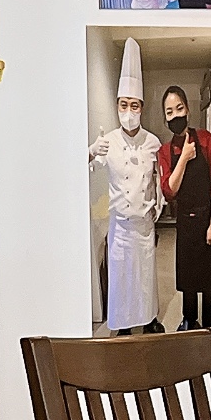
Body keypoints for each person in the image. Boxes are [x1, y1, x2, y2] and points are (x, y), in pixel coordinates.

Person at [89, 40, 163, 333]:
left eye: (134, 105)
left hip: (144, 226)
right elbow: (77, 169)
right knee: (121, 280)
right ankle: (122, 326)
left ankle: (149, 321)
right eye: (123, 105)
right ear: (117, 106)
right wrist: (91, 151)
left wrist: (158, 207)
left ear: (141, 108)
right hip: (119, 227)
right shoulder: (108, 142)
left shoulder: (153, 142)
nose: (128, 111)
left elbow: (159, 179)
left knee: (145, 279)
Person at [160, 84, 211, 330]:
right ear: (165, 118)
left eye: (179, 108)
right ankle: (189, 323)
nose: (176, 116)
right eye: (170, 112)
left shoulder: (205, 140)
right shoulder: (165, 151)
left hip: (209, 218)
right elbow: (169, 190)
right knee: (189, 281)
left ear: (188, 110)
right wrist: (183, 157)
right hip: (186, 222)